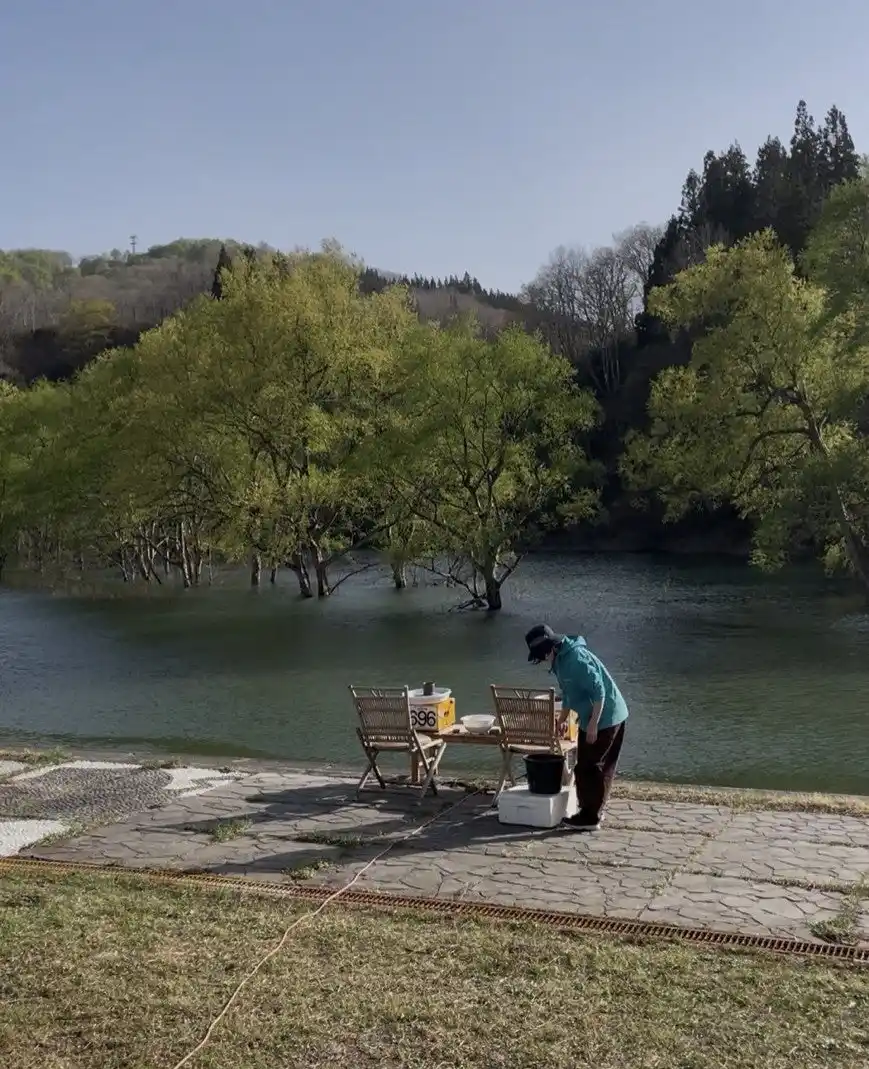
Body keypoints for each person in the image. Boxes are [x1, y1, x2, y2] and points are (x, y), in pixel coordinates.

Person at [524, 624, 628, 831]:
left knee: (588, 766)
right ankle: (594, 812)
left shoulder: (576, 659)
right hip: (594, 716)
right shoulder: (560, 661)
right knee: (593, 765)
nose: (541, 660)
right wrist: (562, 718)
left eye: (541, 655)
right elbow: (569, 693)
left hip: (606, 716)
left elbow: (599, 691)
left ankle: (589, 817)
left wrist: (593, 724)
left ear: (550, 648)